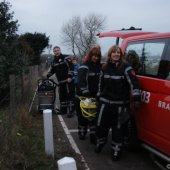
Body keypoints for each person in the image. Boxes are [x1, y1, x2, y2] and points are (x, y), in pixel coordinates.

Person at [94, 45, 141, 161]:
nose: (116, 54)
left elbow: (134, 83)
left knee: (118, 130)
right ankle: (100, 142)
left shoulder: (126, 67)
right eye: (114, 52)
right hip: (105, 103)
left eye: (118, 53)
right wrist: (99, 96)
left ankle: (116, 150)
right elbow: (100, 84)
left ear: (121, 55)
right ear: (110, 54)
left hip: (120, 105)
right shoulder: (104, 67)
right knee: (100, 125)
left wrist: (136, 98)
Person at [75, 46, 102, 144]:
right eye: (94, 56)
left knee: (93, 116)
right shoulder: (84, 66)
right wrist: (85, 91)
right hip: (83, 96)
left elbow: (101, 81)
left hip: (94, 96)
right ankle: (82, 131)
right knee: (82, 116)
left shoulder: (100, 67)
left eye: (97, 56)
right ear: (90, 55)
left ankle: (93, 135)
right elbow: (81, 81)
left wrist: (99, 93)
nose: (96, 58)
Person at [47, 46, 75, 118]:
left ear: (60, 50)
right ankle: (63, 110)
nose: (56, 52)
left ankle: (71, 111)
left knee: (70, 96)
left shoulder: (66, 58)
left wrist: (70, 77)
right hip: (60, 82)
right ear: (53, 52)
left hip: (68, 81)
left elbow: (71, 67)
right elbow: (52, 70)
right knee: (62, 96)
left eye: (57, 50)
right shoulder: (53, 61)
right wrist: (48, 75)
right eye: (55, 51)